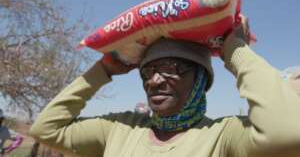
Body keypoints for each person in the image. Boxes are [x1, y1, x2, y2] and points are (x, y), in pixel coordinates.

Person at [29, 16, 300, 157]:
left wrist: (236, 52)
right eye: (148, 71)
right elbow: (45, 129)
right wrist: (102, 71)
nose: (154, 81)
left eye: (171, 69)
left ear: (200, 79)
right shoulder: (121, 129)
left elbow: (288, 133)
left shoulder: (223, 137)